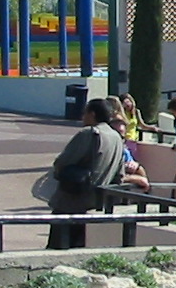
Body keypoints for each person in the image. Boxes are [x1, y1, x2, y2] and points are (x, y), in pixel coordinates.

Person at [47, 98, 127, 248]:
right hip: (96, 203)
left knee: (59, 245)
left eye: (85, 113)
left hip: (72, 200)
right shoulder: (117, 138)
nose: (83, 117)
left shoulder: (89, 134)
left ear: (93, 114)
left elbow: (62, 162)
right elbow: (119, 176)